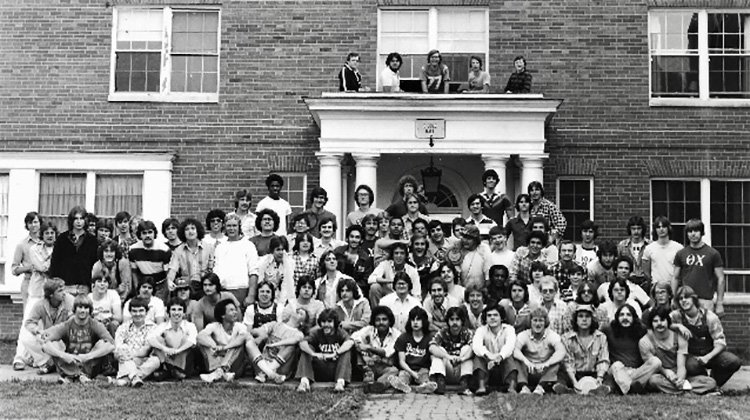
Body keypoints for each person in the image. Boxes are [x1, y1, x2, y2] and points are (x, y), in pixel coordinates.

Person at [671, 286, 741, 388]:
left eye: (686, 297)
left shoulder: (710, 317)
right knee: (691, 365)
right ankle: (705, 383)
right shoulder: (677, 315)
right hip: (692, 356)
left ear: (694, 299)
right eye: (680, 299)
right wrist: (678, 325)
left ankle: (715, 383)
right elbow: (663, 322)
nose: (683, 301)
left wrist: (707, 357)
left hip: (711, 354)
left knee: (733, 361)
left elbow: (721, 343)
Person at [639, 306, 717, 394]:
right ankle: (688, 391)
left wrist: (680, 380)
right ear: (651, 324)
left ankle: (677, 390)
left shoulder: (679, 336)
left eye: (662, 320)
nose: (659, 324)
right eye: (655, 321)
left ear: (668, 321)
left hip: (681, 374)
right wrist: (666, 373)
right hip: (662, 375)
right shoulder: (645, 341)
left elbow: (681, 365)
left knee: (711, 382)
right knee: (653, 381)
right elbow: (652, 365)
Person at [12, 219, 57, 371]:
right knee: (28, 328)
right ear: (42, 235)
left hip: (54, 295)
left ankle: (50, 360)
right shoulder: (34, 249)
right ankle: (28, 359)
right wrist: (52, 265)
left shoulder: (60, 248)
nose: (49, 236)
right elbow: (42, 268)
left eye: (52, 233)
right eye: (46, 233)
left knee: (49, 330)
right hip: (37, 292)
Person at [42, 294, 115, 384]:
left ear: (90, 310)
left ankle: (71, 377)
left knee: (103, 344)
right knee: (53, 345)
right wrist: (63, 355)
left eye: (86, 308)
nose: (83, 311)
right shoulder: (67, 325)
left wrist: (88, 356)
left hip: (89, 363)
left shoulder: (95, 325)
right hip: (70, 362)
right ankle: (80, 377)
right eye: (80, 307)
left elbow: (111, 345)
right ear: (75, 309)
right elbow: (45, 344)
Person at [15, 278, 74, 374]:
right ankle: (46, 362)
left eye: (64, 289)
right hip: (48, 337)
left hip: (64, 337)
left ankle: (53, 363)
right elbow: (29, 322)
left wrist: (58, 331)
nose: (64, 293)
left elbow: (74, 319)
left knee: (53, 344)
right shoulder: (40, 304)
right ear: (51, 295)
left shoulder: (69, 300)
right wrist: (38, 330)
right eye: (60, 291)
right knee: (26, 339)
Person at [604, 303, 660, 394]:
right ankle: (632, 388)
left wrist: (677, 326)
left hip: (636, 371)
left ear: (634, 317)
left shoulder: (641, 329)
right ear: (616, 317)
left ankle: (625, 387)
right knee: (616, 365)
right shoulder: (609, 329)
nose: (625, 317)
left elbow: (658, 328)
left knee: (656, 361)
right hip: (617, 370)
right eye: (621, 315)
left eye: (628, 315)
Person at [508, 307, 566, 394]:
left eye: (541, 321)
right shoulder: (523, 335)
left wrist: (547, 363)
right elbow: (515, 350)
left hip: (545, 371)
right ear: (530, 322)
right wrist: (526, 362)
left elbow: (561, 351)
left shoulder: (552, 335)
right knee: (517, 360)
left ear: (545, 322)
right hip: (529, 370)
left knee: (556, 363)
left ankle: (541, 387)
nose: (538, 324)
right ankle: (524, 387)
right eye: (535, 320)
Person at [555, 304, 610, 395]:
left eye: (587, 316)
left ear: (592, 320)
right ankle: (567, 390)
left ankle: (601, 389)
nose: (584, 319)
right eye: (580, 316)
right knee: (560, 376)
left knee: (609, 378)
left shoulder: (601, 337)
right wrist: (574, 382)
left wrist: (599, 378)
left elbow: (603, 360)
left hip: (594, 373)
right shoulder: (566, 338)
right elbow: (568, 362)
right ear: (575, 320)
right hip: (574, 373)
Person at [673, 218, 725, 315]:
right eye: (690, 231)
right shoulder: (681, 254)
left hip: (706, 301)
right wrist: (674, 298)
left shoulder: (713, 253)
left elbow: (720, 278)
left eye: (696, 231)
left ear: (702, 232)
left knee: (706, 328)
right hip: (686, 300)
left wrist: (719, 303)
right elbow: (675, 277)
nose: (693, 234)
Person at [296, 308, 355, 393]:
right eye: (323, 321)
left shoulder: (340, 332)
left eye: (329, 321)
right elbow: (302, 343)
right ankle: (304, 382)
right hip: (319, 368)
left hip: (336, 369)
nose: (326, 325)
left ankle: (340, 383)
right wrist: (313, 354)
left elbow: (350, 342)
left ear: (335, 322)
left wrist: (336, 353)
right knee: (307, 349)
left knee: (346, 351)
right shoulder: (317, 332)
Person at [247, 307, 309, 383]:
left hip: (281, 368)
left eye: (301, 314)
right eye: (297, 311)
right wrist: (262, 335)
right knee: (249, 342)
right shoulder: (276, 325)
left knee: (291, 346)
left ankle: (265, 373)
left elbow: (293, 340)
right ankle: (269, 373)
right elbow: (255, 331)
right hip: (263, 363)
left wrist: (275, 344)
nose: (297, 313)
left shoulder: (299, 334)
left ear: (302, 322)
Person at [49, 206, 98, 295]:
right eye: (76, 219)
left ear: (85, 220)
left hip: (84, 285)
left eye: (81, 218)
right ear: (71, 220)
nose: (79, 222)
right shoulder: (62, 238)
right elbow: (55, 262)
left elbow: (95, 264)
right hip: (65, 285)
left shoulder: (92, 240)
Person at [213, 212, 260, 306]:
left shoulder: (248, 245)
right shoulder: (220, 247)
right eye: (228, 226)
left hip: (242, 291)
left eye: (234, 225)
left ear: (239, 227)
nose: (231, 228)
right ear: (225, 227)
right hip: (223, 292)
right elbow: (216, 271)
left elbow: (253, 272)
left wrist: (251, 295)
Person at [196, 299, 248, 383]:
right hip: (217, 361)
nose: (235, 312)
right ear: (223, 315)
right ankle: (219, 372)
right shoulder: (214, 326)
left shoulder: (240, 326)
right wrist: (214, 346)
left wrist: (225, 348)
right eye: (231, 310)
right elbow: (200, 336)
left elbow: (243, 337)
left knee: (238, 344)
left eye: (235, 310)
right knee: (203, 343)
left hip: (233, 367)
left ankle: (220, 371)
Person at [112, 297, 160, 387]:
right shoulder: (123, 328)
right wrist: (123, 355)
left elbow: (146, 349)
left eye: (141, 311)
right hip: (125, 359)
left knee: (156, 360)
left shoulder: (153, 328)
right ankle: (135, 378)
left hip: (142, 359)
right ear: (130, 312)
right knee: (123, 348)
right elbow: (117, 348)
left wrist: (131, 355)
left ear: (146, 312)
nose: (138, 314)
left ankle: (126, 379)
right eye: (134, 311)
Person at [351, 305, 401, 393]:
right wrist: (363, 353)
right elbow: (353, 338)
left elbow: (387, 353)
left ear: (390, 321)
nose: (381, 322)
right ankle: (371, 381)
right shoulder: (369, 330)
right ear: (374, 321)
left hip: (385, 366)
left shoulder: (396, 334)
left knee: (394, 371)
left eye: (384, 319)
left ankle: (378, 384)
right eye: (378, 320)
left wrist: (369, 348)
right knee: (354, 347)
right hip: (369, 366)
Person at [389, 307, 438, 393]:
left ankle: (424, 387)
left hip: (423, 369)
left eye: (418, 320)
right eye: (413, 320)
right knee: (403, 376)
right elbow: (401, 361)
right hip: (407, 368)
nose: (415, 322)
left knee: (424, 376)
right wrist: (412, 372)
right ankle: (402, 385)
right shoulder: (403, 338)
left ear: (424, 321)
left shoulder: (429, 338)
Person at [147, 298, 198, 380]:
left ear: (184, 312)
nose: (176, 313)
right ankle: (168, 368)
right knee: (158, 339)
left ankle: (177, 371)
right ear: (168, 312)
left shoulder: (190, 326)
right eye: (173, 309)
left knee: (186, 339)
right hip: (167, 357)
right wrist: (165, 349)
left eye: (180, 310)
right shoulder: (163, 326)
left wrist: (177, 350)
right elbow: (150, 339)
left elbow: (192, 341)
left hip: (182, 358)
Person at [472, 303, 517, 395]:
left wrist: (500, 357)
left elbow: (509, 345)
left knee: (509, 357)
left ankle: (511, 386)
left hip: (503, 365)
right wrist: (489, 356)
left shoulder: (509, 329)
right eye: (489, 315)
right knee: (478, 357)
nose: (492, 318)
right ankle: (481, 386)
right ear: (485, 318)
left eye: (495, 315)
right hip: (487, 365)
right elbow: (476, 346)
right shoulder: (481, 330)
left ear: (502, 317)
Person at [428, 306, 475, 395]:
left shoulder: (467, 332)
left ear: (462, 321)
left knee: (467, 348)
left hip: (461, 368)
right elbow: (431, 347)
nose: (454, 323)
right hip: (447, 369)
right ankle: (440, 382)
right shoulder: (443, 332)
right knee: (438, 351)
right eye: (452, 319)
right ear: (448, 321)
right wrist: (448, 357)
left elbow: (473, 348)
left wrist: (462, 358)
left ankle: (464, 384)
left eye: (457, 319)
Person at [166, 218, 214, 299]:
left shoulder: (208, 248)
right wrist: (169, 280)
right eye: (187, 229)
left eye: (193, 228)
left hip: (204, 286)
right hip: (187, 286)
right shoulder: (178, 250)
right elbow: (173, 269)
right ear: (183, 233)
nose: (190, 231)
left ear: (197, 230)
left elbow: (212, 268)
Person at [129, 220, 172, 302]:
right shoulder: (133, 250)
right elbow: (134, 272)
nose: (147, 235)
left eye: (150, 232)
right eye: (144, 233)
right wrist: (138, 289)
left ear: (154, 233)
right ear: (140, 235)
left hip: (160, 286)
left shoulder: (164, 250)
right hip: (144, 285)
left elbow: (168, 273)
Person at [369, 242, 421, 306]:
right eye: (396, 253)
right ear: (392, 255)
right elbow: (371, 279)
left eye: (402, 253)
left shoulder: (412, 270)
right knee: (374, 287)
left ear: (406, 256)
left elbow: (416, 294)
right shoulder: (385, 264)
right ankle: (377, 313)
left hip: (404, 299)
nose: (399, 256)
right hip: (387, 298)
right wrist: (391, 280)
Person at [11, 211, 42, 309]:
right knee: (29, 314)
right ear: (27, 225)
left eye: (36, 222)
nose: (33, 225)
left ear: (40, 223)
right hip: (29, 283)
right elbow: (14, 269)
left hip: (44, 282)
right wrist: (27, 268)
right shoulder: (22, 245)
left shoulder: (46, 242)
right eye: (30, 223)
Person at [642, 216, 683, 287]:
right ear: (655, 230)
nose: (661, 229)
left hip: (673, 286)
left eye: (664, 226)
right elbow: (646, 271)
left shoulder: (678, 248)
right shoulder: (649, 248)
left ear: (668, 228)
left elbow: (682, 270)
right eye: (658, 227)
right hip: (656, 287)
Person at [335, 225, 374, 298]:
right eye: (352, 236)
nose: (354, 240)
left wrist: (351, 287)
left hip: (356, 291)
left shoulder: (365, 258)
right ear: (347, 239)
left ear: (361, 240)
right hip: (336, 288)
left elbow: (365, 280)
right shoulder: (338, 252)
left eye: (357, 237)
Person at [255, 235, 295, 305]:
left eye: (283, 249)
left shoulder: (290, 263)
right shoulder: (263, 262)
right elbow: (259, 282)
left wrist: (281, 304)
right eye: (278, 249)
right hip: (265, 295)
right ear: (272, 250)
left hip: (282, 298)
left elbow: (287, 285)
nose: (281, 252)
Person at [446, 225, 487, 290]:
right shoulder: (457, 249)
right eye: (464, 237)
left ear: (475, 239)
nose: (465, 241)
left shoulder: (483, 249)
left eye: (469, 238)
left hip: (479, 291)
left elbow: (487, 274)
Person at [617, 216, 651, 292]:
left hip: (646, 283)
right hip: (628, 283)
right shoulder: (622, 245)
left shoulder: (650, 245)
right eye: (633, 229)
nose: (636, 231)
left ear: (643, 229)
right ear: (630, 229)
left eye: (639, 228)